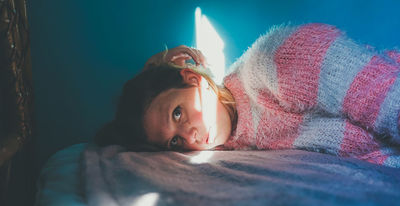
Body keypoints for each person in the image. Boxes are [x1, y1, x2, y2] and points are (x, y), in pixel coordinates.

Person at [95, 23, 400, 168]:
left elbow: (383, 96)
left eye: (177, 113)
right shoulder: (231, 143)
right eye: (174, 141)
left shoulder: (274, 62)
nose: (188, 136)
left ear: (191, 78)